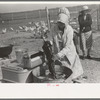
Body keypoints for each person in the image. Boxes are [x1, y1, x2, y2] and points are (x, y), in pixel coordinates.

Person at [50, 7, 83, 82]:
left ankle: (74, 79)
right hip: (58, 50)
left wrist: (58, 55)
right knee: (63, 70)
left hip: (69, 51)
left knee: (72, 70)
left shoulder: (69, 29)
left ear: (65, 23)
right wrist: (49, 43)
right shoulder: (53, 28)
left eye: (62, 24)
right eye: (59, 23)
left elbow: (67, 47)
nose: (61, 25)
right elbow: (50, 38)